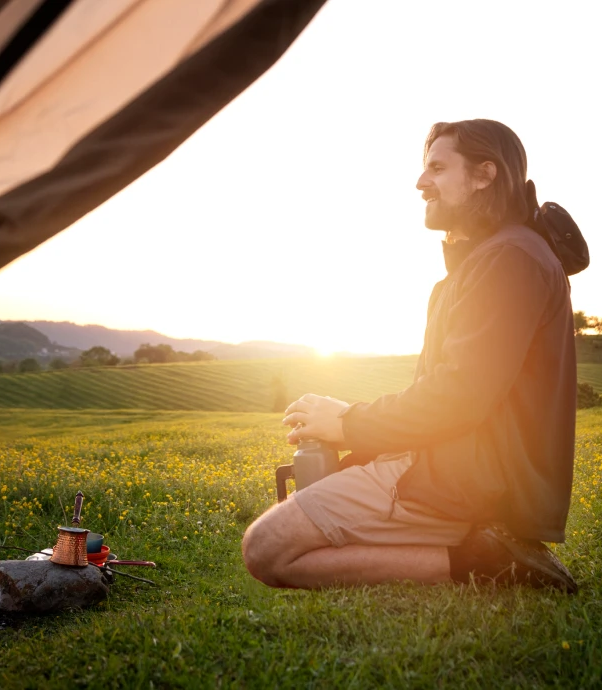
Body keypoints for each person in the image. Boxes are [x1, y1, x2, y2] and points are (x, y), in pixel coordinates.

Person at [241, 119, 578, 593]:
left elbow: (459, 396)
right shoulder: (493, 257)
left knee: (267, 547)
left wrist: (347, 422)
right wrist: (361, 445)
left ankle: (485, 560)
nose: (421, 182)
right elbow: (455, 388)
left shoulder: (509, 259)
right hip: (463, 468)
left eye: (437, 168)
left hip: (462, 480)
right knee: (297, 527)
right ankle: (481, 551)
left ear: (485, 174)